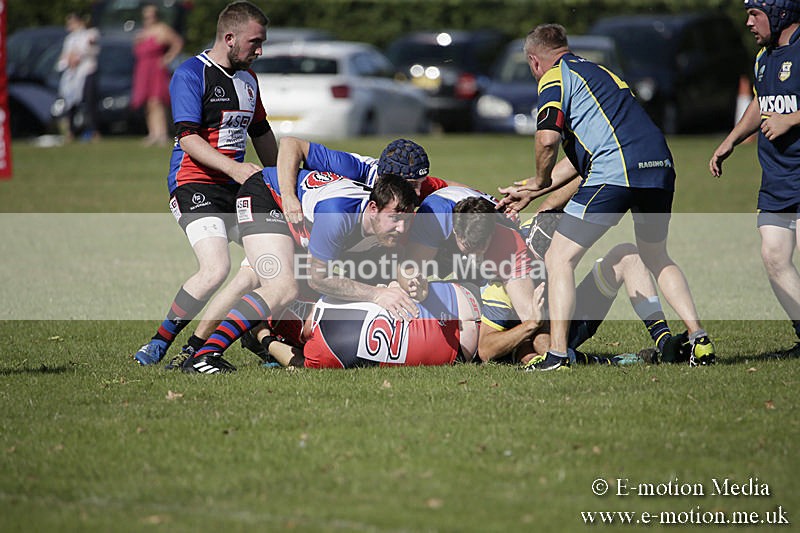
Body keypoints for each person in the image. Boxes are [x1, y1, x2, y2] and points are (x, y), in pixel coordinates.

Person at [497, 24, 715, 371]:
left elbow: (547, 140)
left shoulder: (554, 77)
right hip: (659, 166)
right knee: (656, 255)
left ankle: (557, 355)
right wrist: (532, 188)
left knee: (559, 257)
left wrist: (539, 178)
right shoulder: (602, 73)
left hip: (617, 170)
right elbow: (584, 156)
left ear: (535, 61)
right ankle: (699, 339)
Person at [133, 1, 278, 366]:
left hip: (237, 188)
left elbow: (260, 132)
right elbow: (187, 138)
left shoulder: (249, 79)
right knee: (216, 269)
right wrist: (235, 170)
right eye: (255, 42)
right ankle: (158, 343)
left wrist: (282, 182)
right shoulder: (191, 73)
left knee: (274, 263)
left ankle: (248, 340)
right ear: (229, 38)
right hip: (194, 185)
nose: (259, 51)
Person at [180, 169, 418, 373]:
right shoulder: (338, 215)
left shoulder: (382, 222)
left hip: (299, 220)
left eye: (407, 221)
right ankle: (203, 354)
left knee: (281, 290)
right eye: (395, 219)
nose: (401, 228)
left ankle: (206, 348)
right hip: (266, 195)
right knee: (280, 287)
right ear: (373, 208)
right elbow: (319, 278)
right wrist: (377, 294)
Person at [479, 212, 689, 366]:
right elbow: (486, 349)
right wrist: (530, 325)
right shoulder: (508, 276)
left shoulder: (555, 228)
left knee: (628, 256)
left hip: (568, 319)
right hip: (535, 338)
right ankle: (609, 361)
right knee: (537, 342)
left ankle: (665, 342)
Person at [710, 0, 800, 358]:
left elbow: (782, 113)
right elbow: (762, 102)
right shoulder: (764, 57)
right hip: (777, 179)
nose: (748, 22)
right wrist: (731, 140)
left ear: (780, 14)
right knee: (774, 256)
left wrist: (791, 119)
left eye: (754, 14)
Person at [131, 3, 184, 146]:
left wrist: (168, 58)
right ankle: (152, 133)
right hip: (143, 69)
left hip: (156, 68)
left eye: (151, 16)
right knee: (148, 102)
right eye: (146, 16)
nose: (149, 19)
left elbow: (178, 42)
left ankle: (162, 133)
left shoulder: (162, 29)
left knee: (157, 101)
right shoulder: (143, 32)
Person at [56, 12, 100, 142]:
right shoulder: (69, 39)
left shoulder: (90, 34)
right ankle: (71, 131)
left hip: (86, 71)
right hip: (72, 74)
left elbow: (91, 48)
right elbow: (65, 55)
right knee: (70, 103)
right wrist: (68, 60)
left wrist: (78, 56)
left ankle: (93, 130)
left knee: (89, 102)